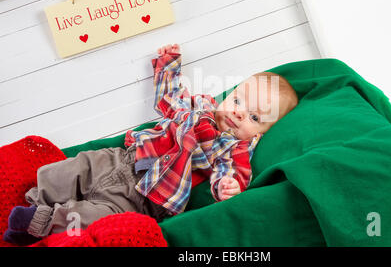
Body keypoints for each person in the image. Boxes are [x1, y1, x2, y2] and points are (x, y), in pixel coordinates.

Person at [3, 43, 299, 245]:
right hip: (121, 159)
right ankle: (35, 202)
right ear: (228, 96)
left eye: (254, 116)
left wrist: (227, 186)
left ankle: (39, 223)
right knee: (71, 169)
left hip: (143, 198)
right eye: (237, 100)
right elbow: (168, 98)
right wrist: (168, 65)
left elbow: (230, 173)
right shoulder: (199, 106)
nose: (238, 112)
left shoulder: (232, 149)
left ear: (258, 134)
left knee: (95, 218)